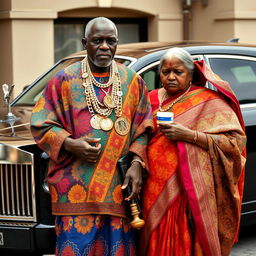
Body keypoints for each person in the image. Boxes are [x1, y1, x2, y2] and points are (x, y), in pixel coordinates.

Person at [30, 17, 153, 255]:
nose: (104, 46)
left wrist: (137, 162)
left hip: (118, 189)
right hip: (76, 190)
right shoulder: (63, 80)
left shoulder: (133, 82)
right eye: (97, 41)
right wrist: (69, 143)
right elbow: (40, 123)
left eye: (111, 41)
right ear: (85, 43)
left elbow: (144, 128)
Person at [139, 47, 246, 256]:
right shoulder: (150, 99)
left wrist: (189, 136)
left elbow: (234, 143)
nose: (170, 77)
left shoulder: (208, 101)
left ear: (190, 75)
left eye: (178, 72)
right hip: (151, 186)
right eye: (165, 72)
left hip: (188, 191)